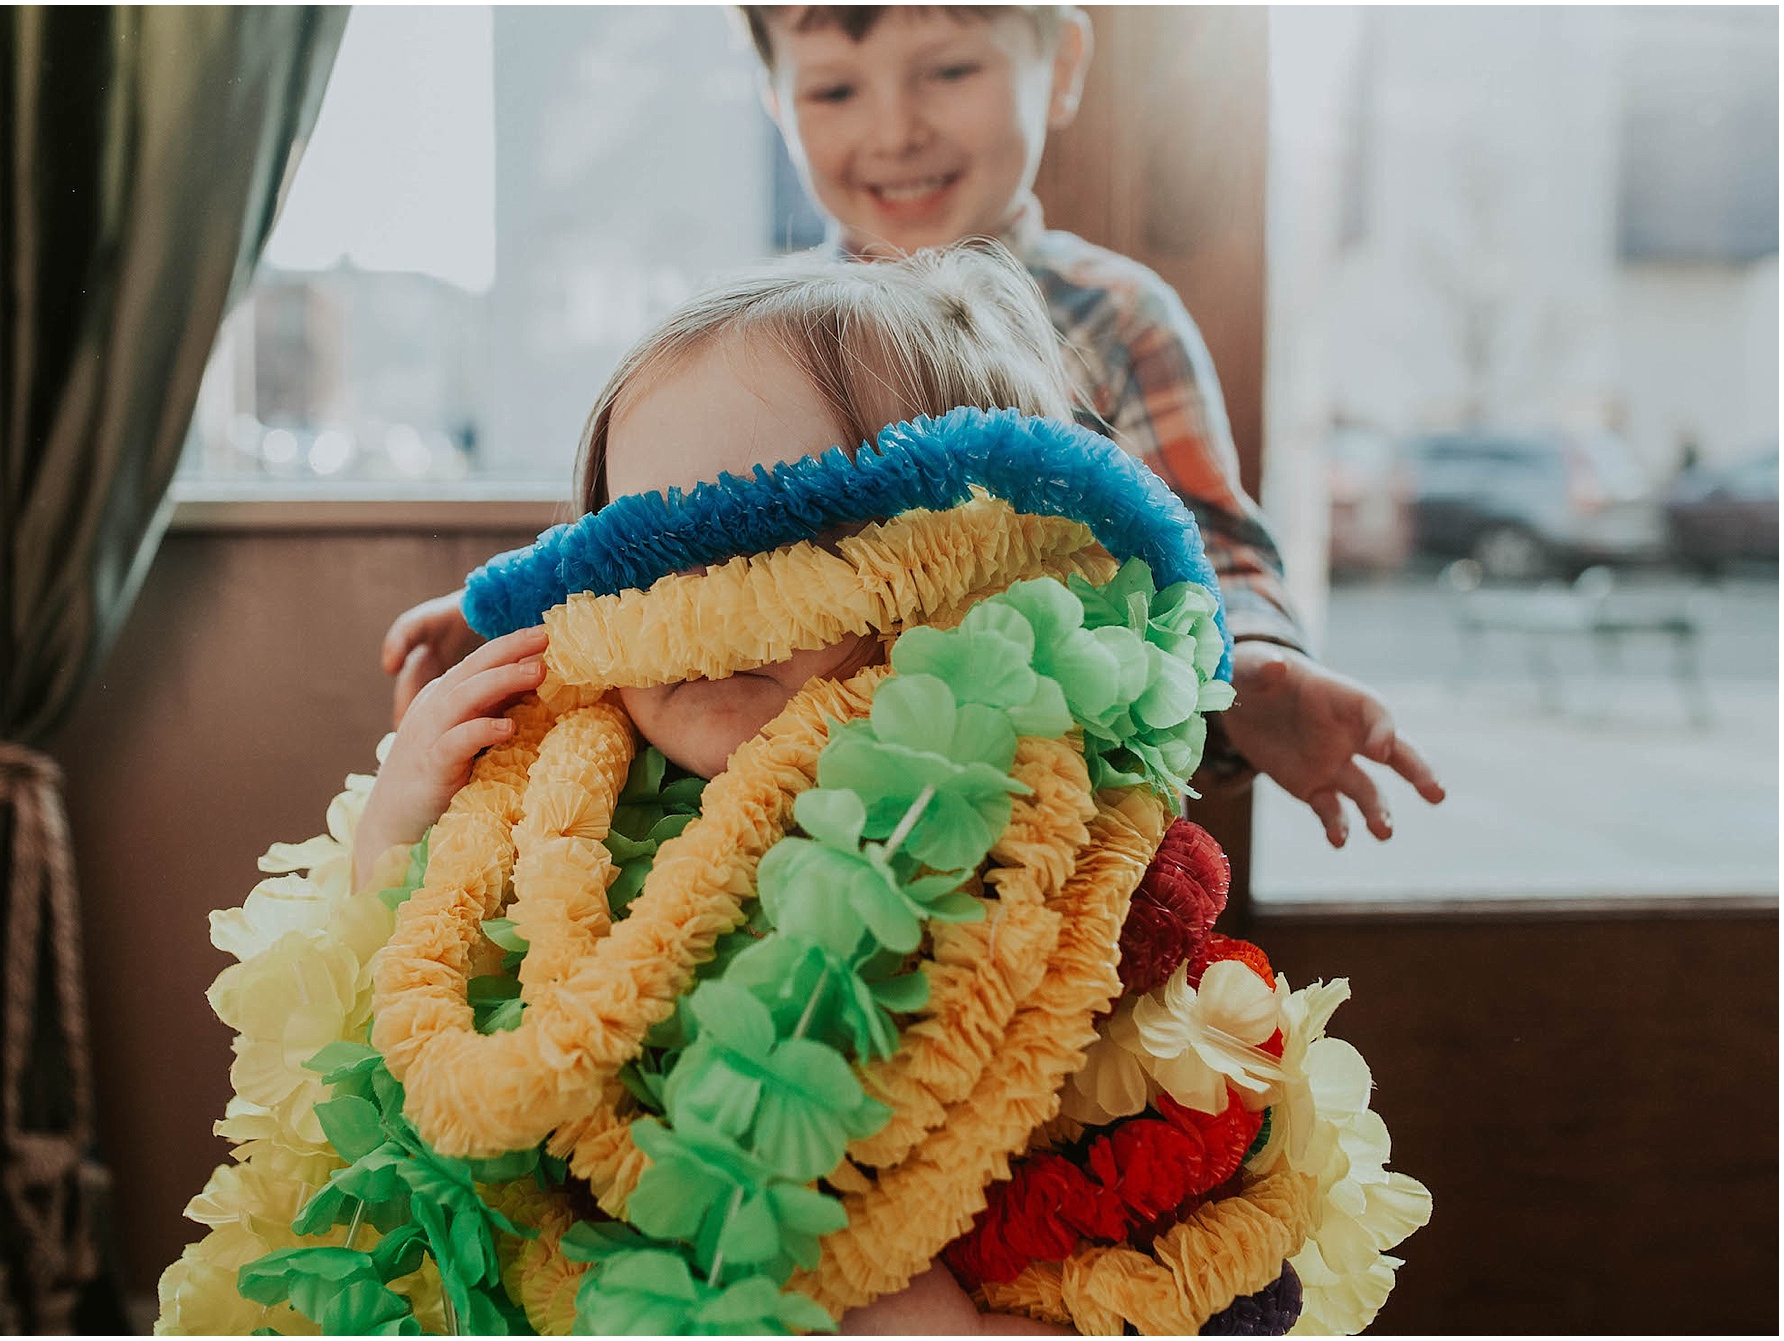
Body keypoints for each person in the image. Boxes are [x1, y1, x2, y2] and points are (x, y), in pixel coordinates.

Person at [357, 243, 1197, 1332]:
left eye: (787, 541)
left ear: (970, 564)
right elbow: (389, 1000)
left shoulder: (1039, 843)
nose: (706, 602)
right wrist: (399, 819)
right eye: (648, 556)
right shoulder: (557, 790)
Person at [380, 4, 1442, 848]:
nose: (894, 129)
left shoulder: (1112, 315)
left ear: (1059, 63)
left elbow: (1202, 535)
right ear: (774, 99)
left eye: (948, 72)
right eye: (835, 89)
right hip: (776, 799)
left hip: (1006, 802)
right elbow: (682, 527)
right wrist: (511, 607)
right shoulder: (760, 331)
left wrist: (1249, 663)